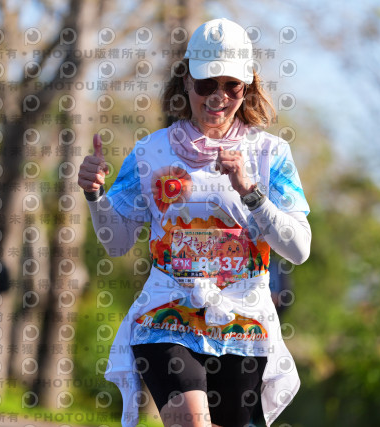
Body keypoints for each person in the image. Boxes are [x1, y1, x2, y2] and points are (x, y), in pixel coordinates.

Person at [79, 18, 312, 427]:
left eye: (231, 86)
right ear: (186, 81)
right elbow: (116, 241)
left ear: (248, 86)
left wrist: (251, 193)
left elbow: (299, 249)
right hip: (166, 314)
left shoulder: (271, 154)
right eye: (206, 84)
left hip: (244, 321)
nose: (218, 97)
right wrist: (95, 195)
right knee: (192, 421)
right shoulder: (151, 152)